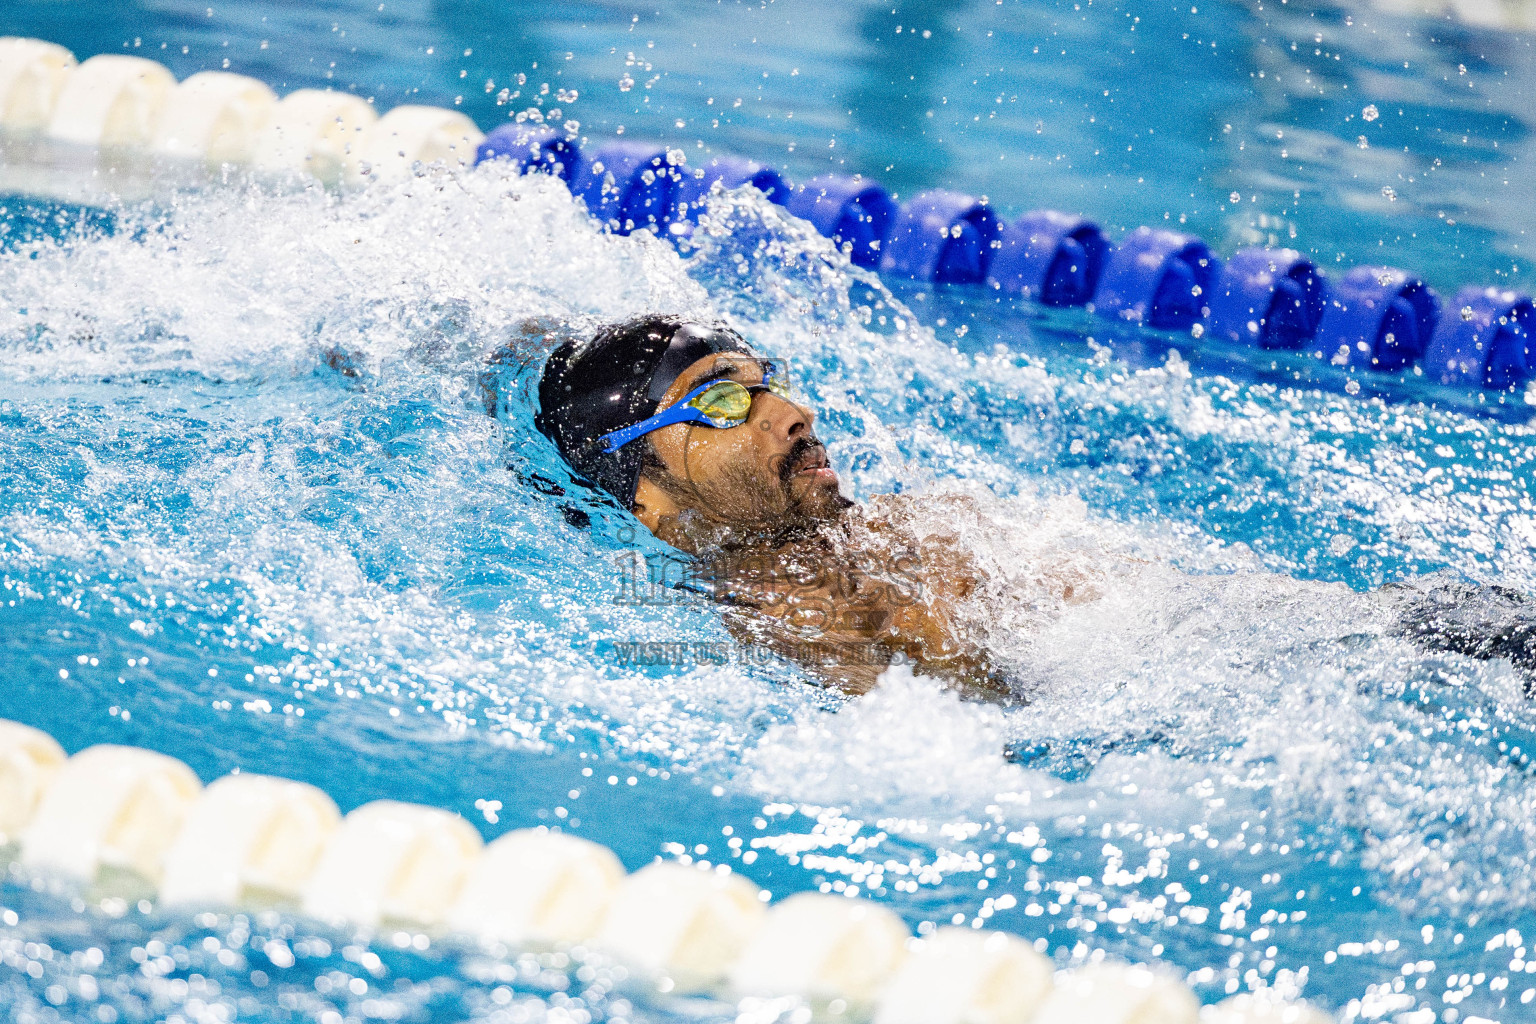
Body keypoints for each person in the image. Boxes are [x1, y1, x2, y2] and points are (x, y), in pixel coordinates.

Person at [529, 314, 1536, 701]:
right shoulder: (791, 619)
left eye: (766, 379)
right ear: (655, 507)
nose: (791, 414)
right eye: (720, 400)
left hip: (1349, 631)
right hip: (1268, 696)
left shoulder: (894, 532)